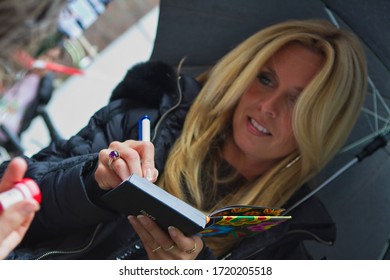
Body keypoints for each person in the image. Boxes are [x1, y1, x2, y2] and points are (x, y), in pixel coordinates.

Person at [1, 19, 367, 260]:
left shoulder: (280, 241)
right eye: (266, 79)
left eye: (297, 102)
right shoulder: (147, 119)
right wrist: (93, 183)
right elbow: (13, 197)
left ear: (320, 126)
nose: (267, 106)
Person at [0, 0, 65, 259]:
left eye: (53, 60)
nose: (47, 63)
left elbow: (33, 110)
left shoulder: (43, 85)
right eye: (45, 56)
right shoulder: (14, 66)